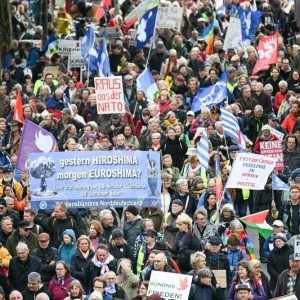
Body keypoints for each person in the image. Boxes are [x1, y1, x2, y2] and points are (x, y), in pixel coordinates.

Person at [179, 208, 218, 272]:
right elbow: (183, 250)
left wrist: (211, 246)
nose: (203, 220)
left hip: (211, 262)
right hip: (195, 265)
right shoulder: (191, 232)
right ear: (196, 221)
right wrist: (197, 254)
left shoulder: (213, 230)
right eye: (201, 219)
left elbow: (219, 243)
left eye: (204, 218)